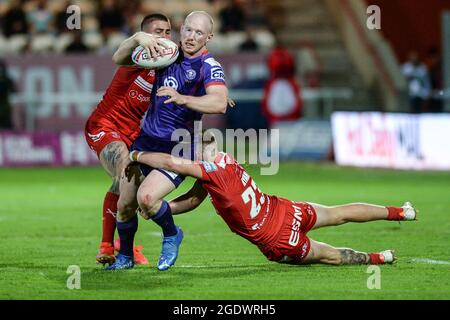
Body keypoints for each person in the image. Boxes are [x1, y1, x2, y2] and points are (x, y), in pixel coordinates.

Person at [125, 131, 417, 267]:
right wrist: (164, 210)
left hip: (277, 238)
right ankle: (399, 212)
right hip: (286, 210)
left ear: (201, 154)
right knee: (338, 213)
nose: (190, 158)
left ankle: (381, 258)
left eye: (194, 153)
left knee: (329, 256)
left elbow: (172, 164)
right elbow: (193, 200)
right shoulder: (226, 160)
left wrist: (137, 154)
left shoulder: (208, 170)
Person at [108, 11, 230, 271]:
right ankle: (125, 257)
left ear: (209, 37)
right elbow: (119, 59)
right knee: (125, 204)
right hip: (146, 141)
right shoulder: (168, 53)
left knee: (147, 199)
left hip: (178, 146)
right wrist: (138, 37)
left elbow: (219, 102)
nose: (191, 37)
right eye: (188, 30)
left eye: (199, 33)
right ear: (181, 29)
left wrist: (184, 98)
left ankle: (171, 233)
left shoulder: (209, 66)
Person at [84, 13, 172, 266]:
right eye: (157, 31)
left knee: (131, 185)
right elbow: (117, 57)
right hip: (105, 125)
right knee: (124, 168)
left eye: (167, 32)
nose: (163, 37)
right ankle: (106, 245)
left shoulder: (166, 64)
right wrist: (138, 38)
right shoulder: (138, 58)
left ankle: (125, 245)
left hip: (134, 133)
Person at [0, 60, 15, 130]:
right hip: (5, 107)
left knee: (7, 127)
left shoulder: (7, 80)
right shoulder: (7, 79)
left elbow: (14, 91)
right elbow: (14, 91)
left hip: (4, 108)